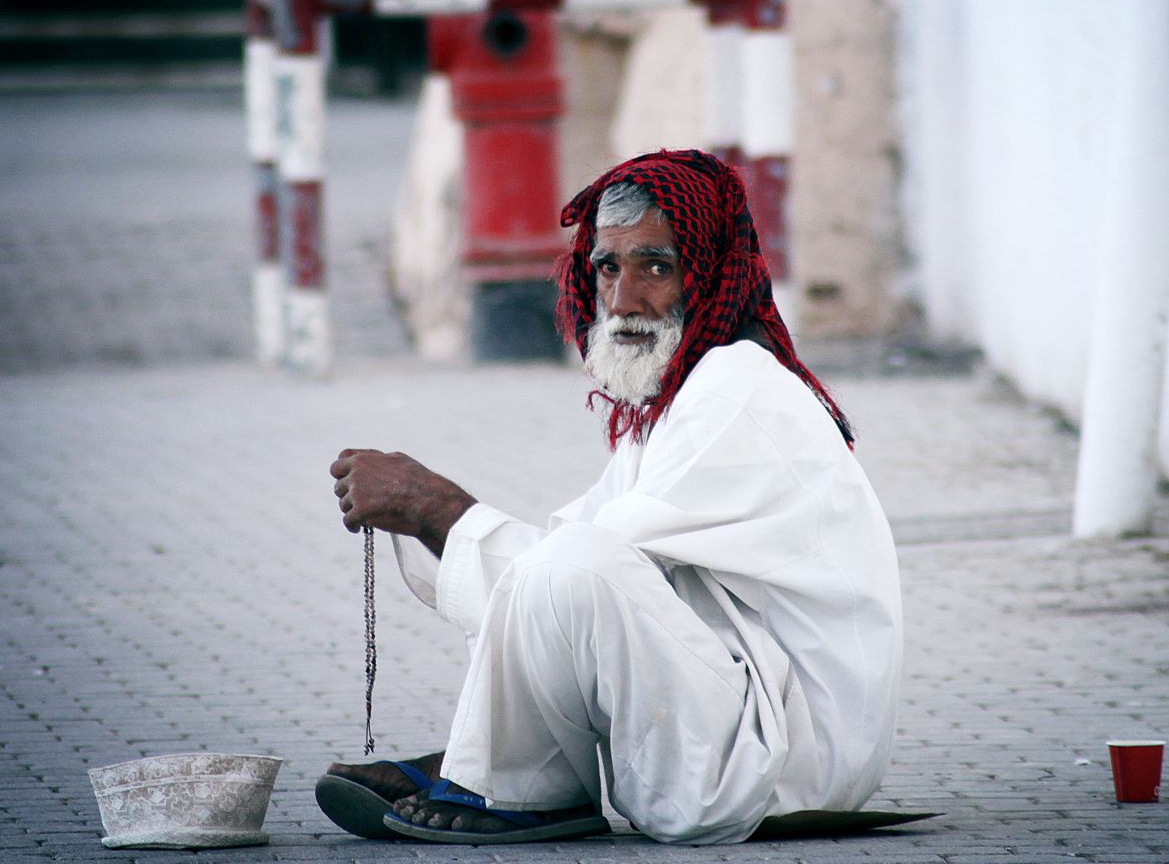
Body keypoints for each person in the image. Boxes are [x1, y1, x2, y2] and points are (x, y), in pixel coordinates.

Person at [315, 149, 904, 845]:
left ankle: (515, 783)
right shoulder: (676, 402)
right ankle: (504, 771)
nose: (624, 301)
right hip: (731, 725)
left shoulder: (739, 387)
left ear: (710, 270)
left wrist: (435, 505)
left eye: (657, 266)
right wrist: (430, 513)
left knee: (576, 561)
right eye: (608, 268)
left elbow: (571, 573)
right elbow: (546, 593)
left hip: (779, 761)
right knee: (570, 564)